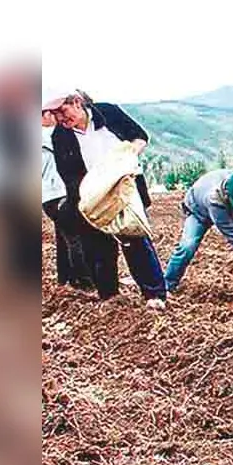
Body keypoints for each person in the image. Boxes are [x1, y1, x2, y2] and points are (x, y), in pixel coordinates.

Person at [44, 87, 167, 309]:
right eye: (54, 114)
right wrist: (88, 194)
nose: (60, 118)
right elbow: (69, 175)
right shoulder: (60, 136)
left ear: (77, 102)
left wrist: (128, 154)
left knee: (135, 240)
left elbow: (140, 136)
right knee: (97, 247)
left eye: (62, 111)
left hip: (124, 189)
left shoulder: (108, 113)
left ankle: (154, 295)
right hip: (92, 195)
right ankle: (109, 296)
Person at [163, 169, 233, 294]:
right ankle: (167, 285)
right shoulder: (214, 200)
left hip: (226, 207)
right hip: (198, 211)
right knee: (187, 246)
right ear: (227, 196)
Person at [41, 109, 94, 291]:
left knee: (64, 237)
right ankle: (84, 281)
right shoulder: (51, 136)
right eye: (52, 114)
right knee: (75, 237)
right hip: (59, 193)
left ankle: (66, 278)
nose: (57, 117)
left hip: (48, 196)